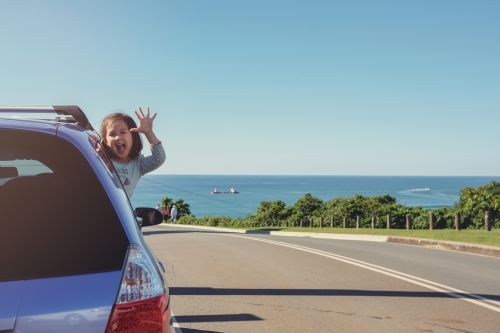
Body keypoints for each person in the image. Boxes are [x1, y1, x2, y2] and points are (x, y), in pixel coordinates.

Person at [99, 107, 166, 198]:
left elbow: (159, 158)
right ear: (105, 140)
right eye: (112, 134)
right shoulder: (100, 159)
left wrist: (148, 132)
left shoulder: (137, 165)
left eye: (123, 132)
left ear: (133, 137)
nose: (118, 137)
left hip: (118, 212)